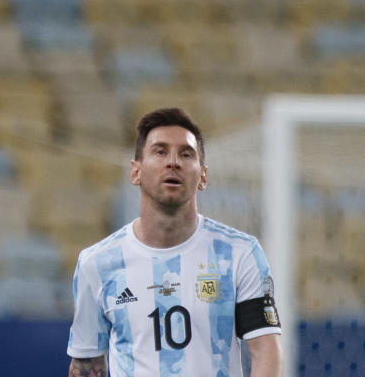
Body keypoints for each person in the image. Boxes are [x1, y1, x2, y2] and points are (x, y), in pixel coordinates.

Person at [67, 107, 283, 377]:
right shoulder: (96, 264)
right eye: (160, 151)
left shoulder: (240, 254)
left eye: (186, 154)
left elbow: (266, 350)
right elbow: (87, 366)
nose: (173, 162)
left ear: (203, 176)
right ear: (135, 172)